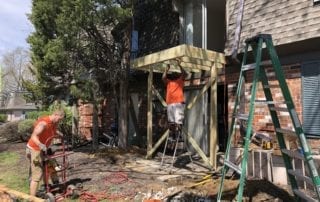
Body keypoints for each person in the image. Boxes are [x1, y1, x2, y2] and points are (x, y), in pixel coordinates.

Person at [26, 109, 65, 196]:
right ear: (55, 114)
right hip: (34, 148)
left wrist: (60, 134)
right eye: (59, 119)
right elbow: (33, 136)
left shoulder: (54, 123)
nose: (59, 121)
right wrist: (40, 144)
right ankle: (32, 198)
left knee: (49, 165)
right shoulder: (43, 123)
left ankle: (46, 187)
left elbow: (53, 131)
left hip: (43, 148)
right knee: (37, 174)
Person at [162, 59, 187, 131]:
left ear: (177, 75)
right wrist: (166, 70)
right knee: (171, 122)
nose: (173, 74)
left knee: (178, 122)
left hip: (178, 103)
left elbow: (184, 74)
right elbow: (163, 77)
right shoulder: (168, 82)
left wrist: (180, 65)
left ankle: (179, 132)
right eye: (173, 73)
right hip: (170, 103)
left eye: (175, 73)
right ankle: (173, 135)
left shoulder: (180, 81)